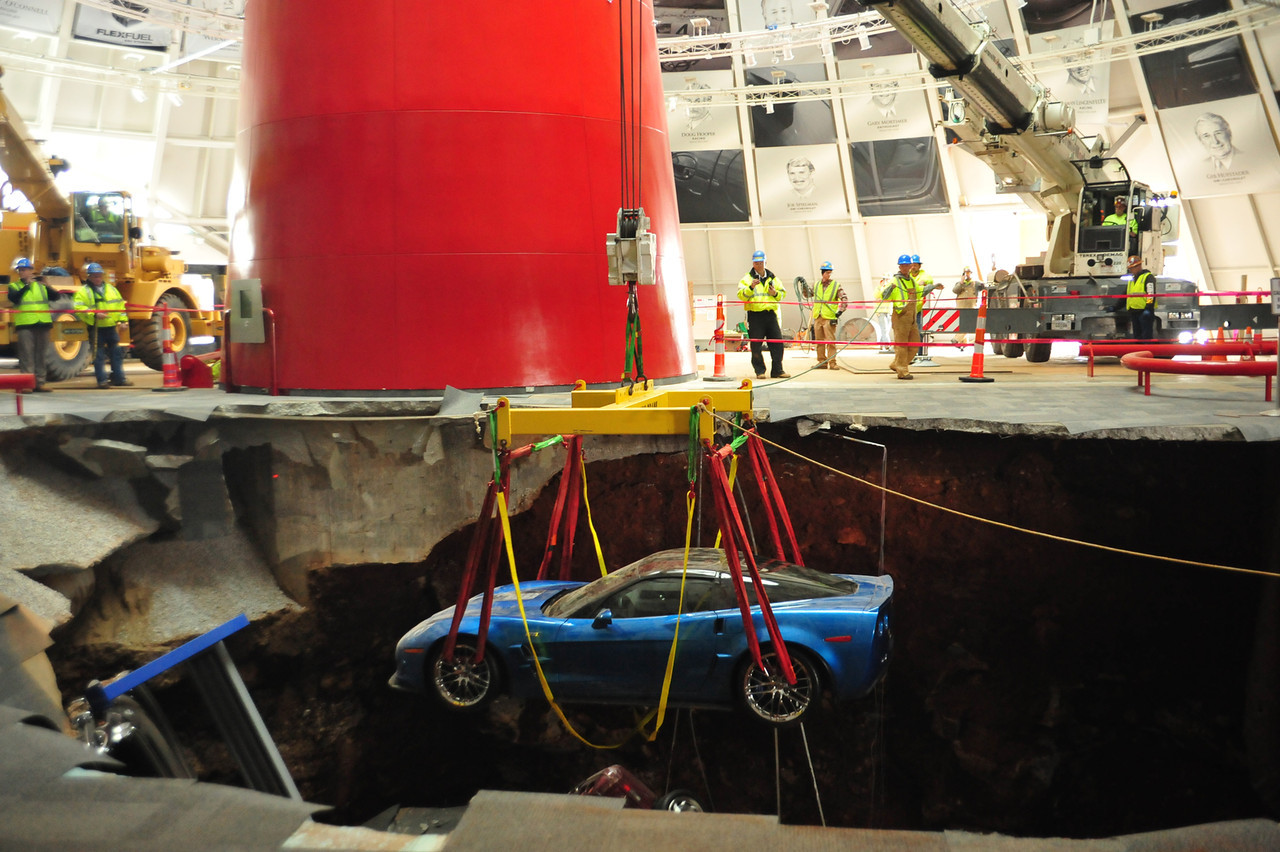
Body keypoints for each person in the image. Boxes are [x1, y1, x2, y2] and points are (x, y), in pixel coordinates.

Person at [73, 262, 133, 388]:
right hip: (95, 328)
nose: (97, 278)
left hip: (111, 327)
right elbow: (78, 307)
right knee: (98, 356)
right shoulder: (84, 292)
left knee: (116, 354)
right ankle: (102, 381)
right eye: (94, 276)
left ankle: (119, 379)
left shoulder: (111, 289)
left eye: (99, 275)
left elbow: (120, 306)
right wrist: (94, 314)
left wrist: (123, 322)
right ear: (89, 277)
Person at [737, 250, 789, 379]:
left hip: (770, 315)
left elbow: (782, 294)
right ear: (753, 263)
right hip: (755, 316)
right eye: (756, 263)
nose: (759, 265)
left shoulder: (773, 278)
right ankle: (760, 371)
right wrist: (750, 288)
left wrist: (775, 294)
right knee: (756, 344)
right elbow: (741, 295)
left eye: (761, 263)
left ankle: (777, 370)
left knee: (777, 342)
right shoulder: (747, 279)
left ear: (765, 262)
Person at [7, 257, 55, 392]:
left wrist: (48, 285)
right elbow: (14, 298)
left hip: (43, 323)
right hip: (25, 325)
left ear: (31, 271)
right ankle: (27, 383)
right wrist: (26, 286)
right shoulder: (14, 286)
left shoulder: (40, 286)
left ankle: (40, 382)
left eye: (24, 270)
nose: (22, 272)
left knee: (41, 355)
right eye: (20, 270)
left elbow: (55, 296)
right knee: (26, 355)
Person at [882, 253, 920, 379]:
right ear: (899, 266)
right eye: (902, 266)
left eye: (907, 265)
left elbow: (919, 293)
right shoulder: (894, 280)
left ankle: (896, 364)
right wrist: (889, 289)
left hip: (912, 317)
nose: (905, 268)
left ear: (910, 266)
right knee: (902, 345)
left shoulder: (912, 281)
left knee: (915, 343)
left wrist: (932, 287)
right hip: (900, 316)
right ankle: (902, 371)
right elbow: (884, 296)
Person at [811, 261, 846, 370]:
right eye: (827, 273)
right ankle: (822, 362)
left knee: (831, 341)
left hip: (829, 318)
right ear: (822, 273)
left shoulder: (836, 285)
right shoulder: (816, 285)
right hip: (818, 316)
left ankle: (832, 362)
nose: (829, 275)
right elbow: (807, 294)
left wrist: (840, 311)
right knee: (819, 341)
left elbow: (844, 298)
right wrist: (803, 287)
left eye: (830, 273)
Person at [910, 254, 941, 364]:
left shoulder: (924, 275)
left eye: (915, 265)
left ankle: (919, 355)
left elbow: (928, 280)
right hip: (907, 310)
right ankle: (909, 356)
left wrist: (921, 283)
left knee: (919, 333)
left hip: (918, 310)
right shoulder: (907, 276)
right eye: (911, 265)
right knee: (907, 334)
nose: (912, 267)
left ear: (919, 266)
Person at [1125, 255, 1155, 341]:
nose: (1131, 270)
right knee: (1137, 337)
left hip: (1144, 312)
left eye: (1132, 268)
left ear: (1139, 266)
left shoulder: (1148, 277)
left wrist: (1148, 308)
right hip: (1134, 311)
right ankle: (1139, 353)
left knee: (1146, 337)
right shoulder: (1132, 280)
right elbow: (1125, 295)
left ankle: (1147, 352)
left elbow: (1151, 293)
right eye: (1130, 268)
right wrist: (1115, 307)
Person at [951, 266, 977, 345]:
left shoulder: (975, 284)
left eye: (968, 272)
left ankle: (956, 339)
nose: (967, 275)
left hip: (971, 307)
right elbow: (955, 290)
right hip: (961, 308)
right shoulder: (959, 284)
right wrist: (961, 283)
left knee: (969, 324)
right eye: (965, 273)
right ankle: (963, 342)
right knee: (962, 325)